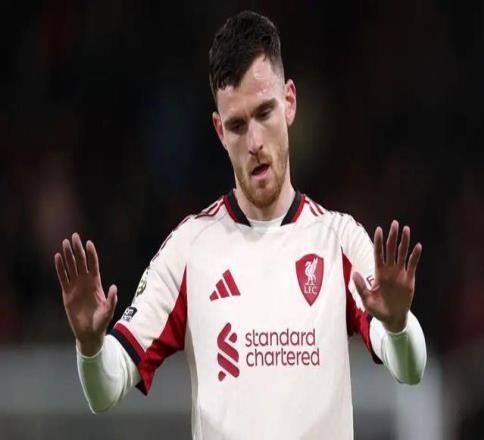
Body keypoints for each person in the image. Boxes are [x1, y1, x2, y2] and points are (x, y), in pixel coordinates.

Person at [54, 10, 426, 440]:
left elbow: (411, 369)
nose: (254, 143)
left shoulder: (338, 241)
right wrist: (89, 346)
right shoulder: (190, 249)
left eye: (265, 112)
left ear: (289, 102)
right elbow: (105, 390)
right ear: (219, 130)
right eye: (237, 125)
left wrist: (397, 325)